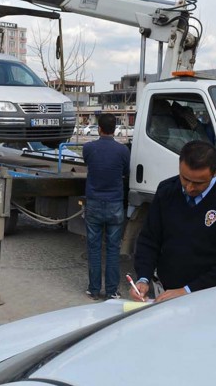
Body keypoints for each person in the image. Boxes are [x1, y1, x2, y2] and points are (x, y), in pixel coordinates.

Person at [131, 140, 216, 302]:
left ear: (215, 173)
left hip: (210, 296)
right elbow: (149, 239)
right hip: (166, 290)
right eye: (185, 178)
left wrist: (188, 290)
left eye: (198, 183)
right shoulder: (166, 191)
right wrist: (143, 278)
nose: (189, 187)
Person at [82, 113, 130, 300]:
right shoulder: (123, 151)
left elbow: (88, 164)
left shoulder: (88, 148)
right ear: (115, 129)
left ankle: (94, 290)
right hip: (115, 204)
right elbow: (126, 171)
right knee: (113, 249)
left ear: (99, 128)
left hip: (94, 202)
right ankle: (112, 291)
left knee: (94, 248)